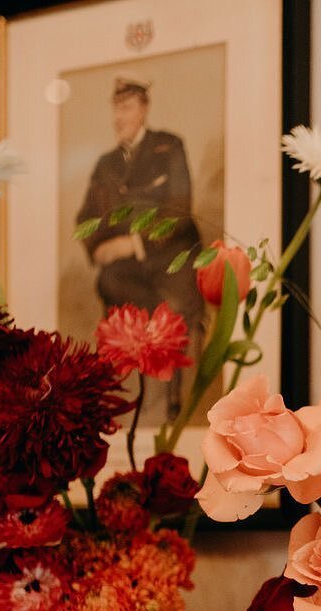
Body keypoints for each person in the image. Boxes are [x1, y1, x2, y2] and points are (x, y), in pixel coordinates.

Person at [77, 74, 206, 421]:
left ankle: (170, 390)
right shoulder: (106, 164)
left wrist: (131, 243)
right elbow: (85, 217)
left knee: (174, 305)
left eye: (127, 107)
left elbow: (179, 210)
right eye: (116, 108)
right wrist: (99, 247)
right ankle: (127, 386)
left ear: (144, 109)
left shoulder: (169, 147)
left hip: (170, 258)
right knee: (107, 281)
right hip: (127, 269)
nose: (120, 116)